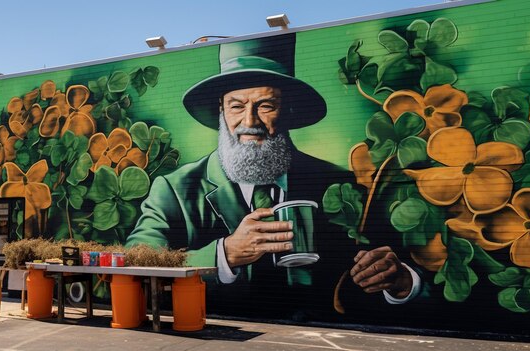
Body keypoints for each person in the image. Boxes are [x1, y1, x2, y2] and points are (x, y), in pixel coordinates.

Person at [126, 34, 420, 321]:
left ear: (289, 109)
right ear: (221, 111)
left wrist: (400, 281)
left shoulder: (337, 184)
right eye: (237, 106)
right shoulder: (175, 189)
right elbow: (137, 259)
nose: (249, 121)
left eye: (266, 106)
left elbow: (396, 270)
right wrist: (223, 254)